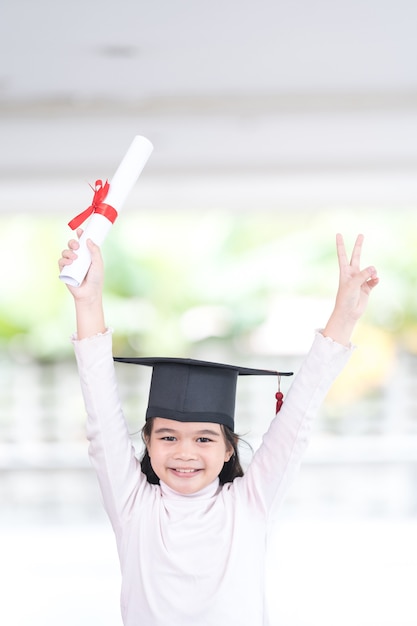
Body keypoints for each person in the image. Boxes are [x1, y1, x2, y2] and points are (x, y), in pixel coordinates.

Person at [59, 232, 379, 626]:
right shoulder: (133, 508)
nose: (184, 452)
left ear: (229, 449)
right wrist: (88, 301)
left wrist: (344, 317)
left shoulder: (250, 504)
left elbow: (299, 416)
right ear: (147, 441)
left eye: (205, 439)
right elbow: (101, 413)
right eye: (168, 436)